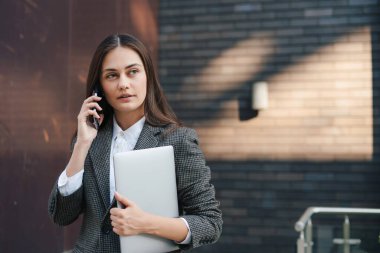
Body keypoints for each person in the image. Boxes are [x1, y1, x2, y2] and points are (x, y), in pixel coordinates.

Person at [48, 34, 222, 253]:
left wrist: (146, 223)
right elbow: (61, 215)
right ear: (99, 87)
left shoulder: (178, 140)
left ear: (147, 76)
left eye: (133, 72)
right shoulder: (88, 140)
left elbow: (210, 223)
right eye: (112, 75)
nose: (123, 84)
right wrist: (82, 144)